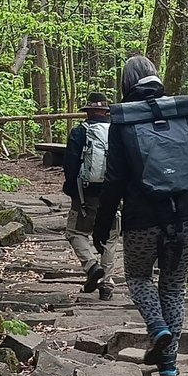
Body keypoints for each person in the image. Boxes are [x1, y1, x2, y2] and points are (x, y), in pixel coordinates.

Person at [91, 54, 188, 376]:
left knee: (138, 279)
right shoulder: (181, 114)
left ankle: (158, 327)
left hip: (143, 219)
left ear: (126, 84)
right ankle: (168, 363)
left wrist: (102, 224)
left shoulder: (122, 121)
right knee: (174, 287)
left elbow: (115, 180)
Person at [61, 91, 116, 300]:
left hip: (86, 194)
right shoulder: (116, 132)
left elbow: (71, 164)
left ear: (88, 111)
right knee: (110, 239)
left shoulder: (79, 132)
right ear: (105, 111)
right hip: (112, 194)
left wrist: (72, 190)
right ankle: (107, 285)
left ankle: (91, 265)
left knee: (74, 233)